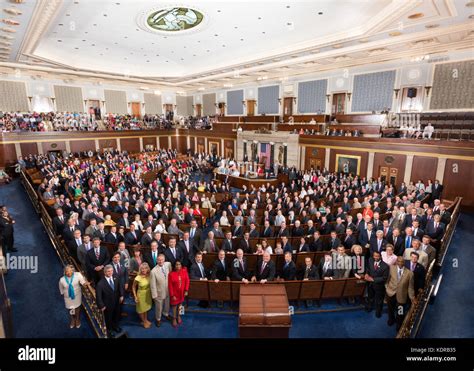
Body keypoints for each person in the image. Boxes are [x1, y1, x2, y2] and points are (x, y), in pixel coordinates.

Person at [385, 256, 416, 331]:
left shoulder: (410, 273)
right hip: (390, 294)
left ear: (404, 262)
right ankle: (391, 319)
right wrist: (387, 288)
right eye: (398, 261)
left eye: (402, 261)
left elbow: (410, 287)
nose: (400, 263)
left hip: (401, 297)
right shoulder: (391, 268)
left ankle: (399, 325)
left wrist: (412, 297)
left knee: (400, 312)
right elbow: (387, 279)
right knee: (390, 309)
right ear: (396, 262)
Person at [96, 265, 124, 337]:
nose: (110, 273)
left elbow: (120, 286)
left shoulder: (116, 277)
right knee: (108, 318)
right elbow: (98, 297)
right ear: (105, 272)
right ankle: (110, 330)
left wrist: (121, 295)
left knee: (116, 315)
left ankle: (115, 326)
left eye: (111, 271)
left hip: (117, 301)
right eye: (108, 271)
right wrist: (101, 305)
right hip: (107, 304)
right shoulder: (100, 283)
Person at [58, 265, 88, 329]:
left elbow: (83, 282)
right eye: (66, 272)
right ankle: (72, 319)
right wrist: (64, 294)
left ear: (73, 271)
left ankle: (77, 319)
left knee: (77, 308)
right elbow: (61, 289)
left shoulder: (78, 275)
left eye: (70, 271)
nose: (68, 273)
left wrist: (85, 284)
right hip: (68, 297)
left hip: (77, 295)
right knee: (70, 309)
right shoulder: (62, 280)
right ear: (64, 272)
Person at [364, 250, 389, 318]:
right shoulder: (370, 260)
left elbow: (384, 278)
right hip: (370, 284)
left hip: (379, 286)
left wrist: (373, 279)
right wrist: (366, 273)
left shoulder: (385, 266)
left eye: (377, 256)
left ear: (380, 256)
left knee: (379, 300)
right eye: (374, 256)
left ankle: (378, 312)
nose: (376, 257)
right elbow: (368, 268)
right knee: (370, 297)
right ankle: (369, 307)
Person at [149, 254, 172, 327]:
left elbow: (170, 275)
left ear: (164, 259)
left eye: (162, 259)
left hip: (168, 290)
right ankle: (158, 319)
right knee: (159, 307)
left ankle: (166, 314)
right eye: (159, 260)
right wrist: (154, 295)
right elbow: (152, 285)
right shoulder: (153, 271)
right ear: (156, 260)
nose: (160, 261)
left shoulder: (168, 264)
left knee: (167, 304)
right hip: (159, 292)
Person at [168, 260, 190, 327]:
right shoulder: (171, 274)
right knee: (174, 306)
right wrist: (172, 295)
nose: (178, 266)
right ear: (174, 266)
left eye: (179, 264)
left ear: (181, 265)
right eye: (176, 265)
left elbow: (187, 281)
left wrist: (186, 290)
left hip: (182, 292)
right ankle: (174, 318)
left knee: (181, 305)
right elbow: (170, 285)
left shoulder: (184, 271)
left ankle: (179, 316)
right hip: (174, 294)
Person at [132, 262, 153, 329]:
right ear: (140, 269)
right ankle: (144, 322)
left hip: (148, 294)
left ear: (147, 269)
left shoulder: (149, 275)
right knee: (141, 309)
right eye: (142, 269)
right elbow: (133, 287)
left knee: (145, 308)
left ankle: (146, 320)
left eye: (145, 268)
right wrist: (135, 296)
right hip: (140, 295)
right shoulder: (138, 277)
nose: (144, 270)